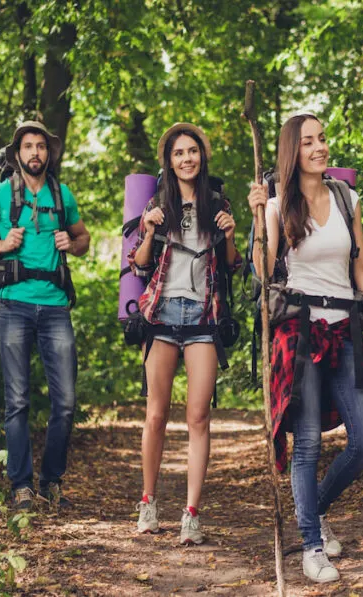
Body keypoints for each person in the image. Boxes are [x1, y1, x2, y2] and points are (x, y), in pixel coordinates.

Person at [247, 113, 363, 583]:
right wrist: (257, 216)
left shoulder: (347, 198)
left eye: (322, 139)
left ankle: (314, 510)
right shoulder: (277, 203)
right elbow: (264, 273)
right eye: (308, 142)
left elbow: (361, 265)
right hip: (299, 331)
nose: (320, 147)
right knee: (305, 442)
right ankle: (311, 546)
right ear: (293, 150)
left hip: (346, 326)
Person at [0, 120, 91, 511]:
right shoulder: (1, 195)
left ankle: (50, 481)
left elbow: (84, 239)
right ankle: (21, 485)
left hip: (55, 307)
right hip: (14, 306)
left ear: (49, 154)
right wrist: (1, 243)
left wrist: (74, 241)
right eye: (28, 146)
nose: (35, 153)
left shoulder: (62, 193)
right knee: (16, 401)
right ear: (18, 153)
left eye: (41, 147)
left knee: (65, 402)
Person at [127, 123, 240, 545]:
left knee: (198, 417)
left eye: (192, 151)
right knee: (156, 415)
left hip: (202, 317)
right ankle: (148, 502)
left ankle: (191, 514)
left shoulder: (217, 204)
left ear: (201, 157)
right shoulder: (156, 204)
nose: (186, 158)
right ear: (169, 161)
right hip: (161, 314)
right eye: (178, 153)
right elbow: (139, 265)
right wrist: (150, 229)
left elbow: (231, 266)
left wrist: (229, 236)